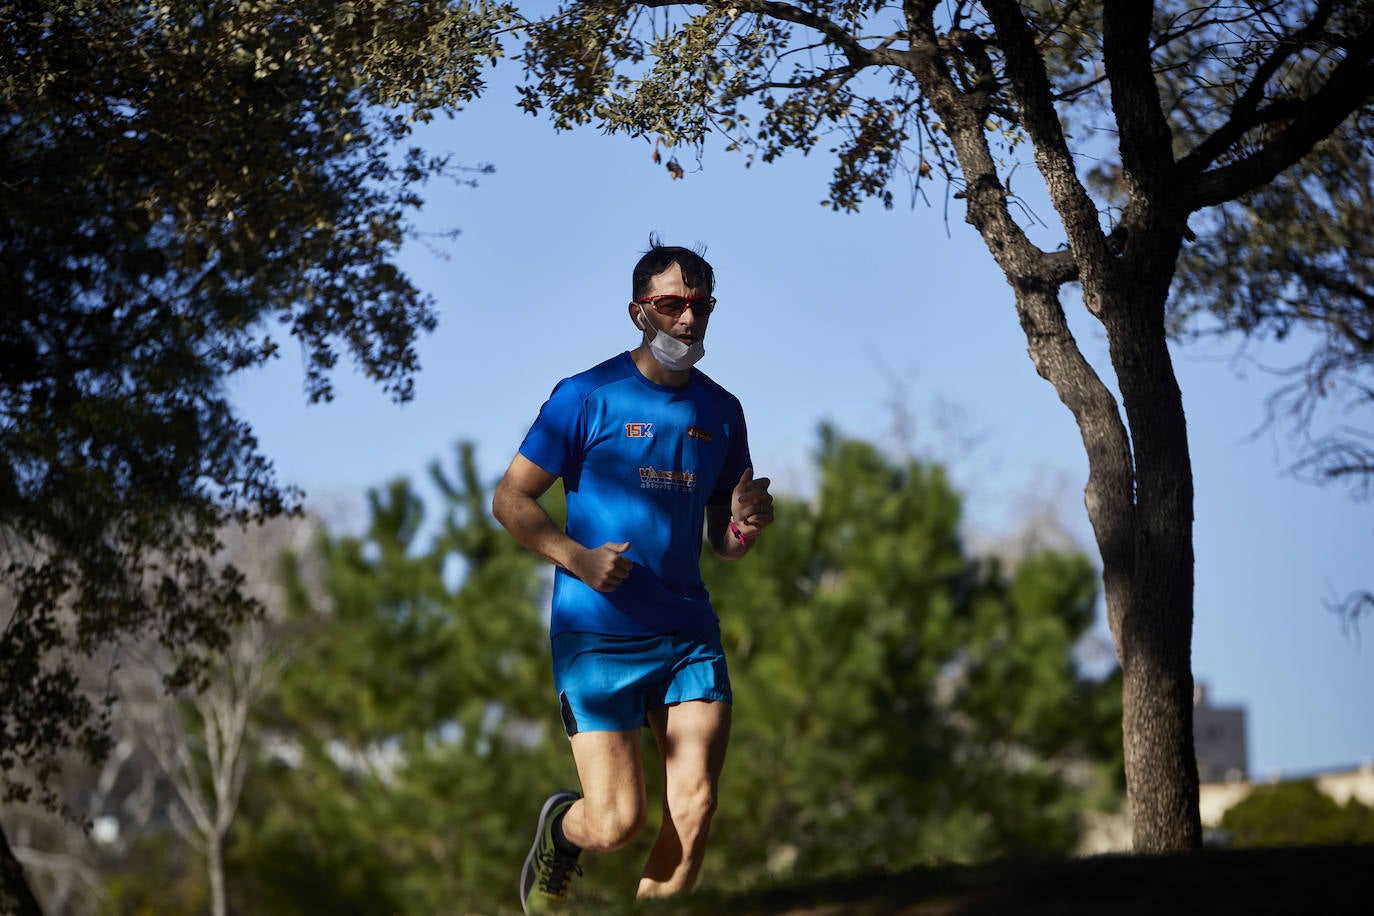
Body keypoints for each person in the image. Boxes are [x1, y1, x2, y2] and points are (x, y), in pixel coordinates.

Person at [492, 238, 774, 912]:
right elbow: (510, 500)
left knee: (696, 803)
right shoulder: (586, 396)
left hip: (686, 633)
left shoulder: (721, 411)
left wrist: (742, 527)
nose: (688, 319)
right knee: (615, 824)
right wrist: (577, 558)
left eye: (700, 306)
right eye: (672, 304)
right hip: (597, 636)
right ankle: (564, 831)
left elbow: (723, 543)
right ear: (638, 312)